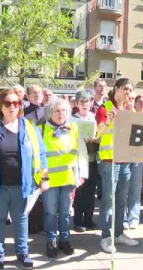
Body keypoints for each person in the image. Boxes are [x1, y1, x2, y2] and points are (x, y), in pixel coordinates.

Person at [0, 89, 49, 270]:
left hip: (22, 186)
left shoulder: (30, 128)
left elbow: (42, 154)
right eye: (8, 103)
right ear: (0, 105)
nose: (13, 106)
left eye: (16, 103)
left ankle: (22, 252)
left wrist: (44, 178)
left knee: (21, 219)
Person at [95, 78, 139, 253]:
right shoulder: (105, 108)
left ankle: (119, 233)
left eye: (130, 89)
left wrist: (132, 113)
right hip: (109, 160)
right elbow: (98, 132)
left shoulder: (129, 109)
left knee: (122, 200)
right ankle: (106, 236)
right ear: (116, 89)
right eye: (125, 89)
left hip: (125, 160)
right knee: (108, 200)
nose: (128, 92)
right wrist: (109, 121)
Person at [41, 98, 85, 258]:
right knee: (51, 212)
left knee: (66, 212)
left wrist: (81, 175)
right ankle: (51, 241)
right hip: (49, 180)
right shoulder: (41, 129)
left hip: (68, 178)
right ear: (49, 113)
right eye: (57, 111)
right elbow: (38, 157)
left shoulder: (74, 128)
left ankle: (65, 240)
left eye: (64, 111)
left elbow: (81, 153)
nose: (61, 113)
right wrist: (41, 179)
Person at [70, 90, 99, 232]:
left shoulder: (94, 118)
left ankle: (89, 218)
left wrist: (95, 137)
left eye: (87, 101)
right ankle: (78, 220)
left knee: (90, 190)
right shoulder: (72, 119)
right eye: (82, 101)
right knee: (80, 191)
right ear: (76, 104)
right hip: (78, 159)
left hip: (92, 157)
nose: (85, 104)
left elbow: (100, 135)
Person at [124, 93, 143, 230]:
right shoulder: (120, 114)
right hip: (123, 156)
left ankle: (134, 217)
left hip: (138, 157)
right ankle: (123, 218)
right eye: (131, 99)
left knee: (136, 188)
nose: (141, 104)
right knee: (123, 188)